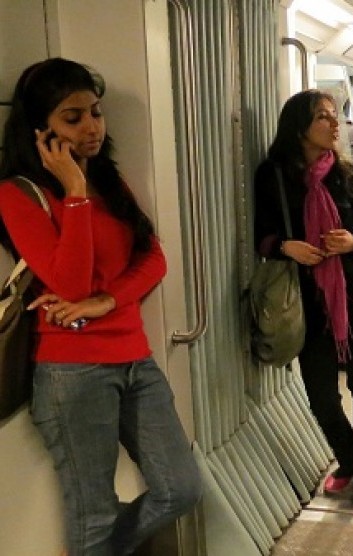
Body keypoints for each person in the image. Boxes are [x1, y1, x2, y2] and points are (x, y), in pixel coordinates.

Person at [0, 58, 202, 555]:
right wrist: (72, 190)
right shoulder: (17, 194)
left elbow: (154, 259)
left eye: (96, 111)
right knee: (93, 515)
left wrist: (107, 299)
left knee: (181, 487)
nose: (92, 126)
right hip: (72, 372)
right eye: (73, 117)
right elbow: (67, 282)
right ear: (40, 128)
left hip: (136, 358)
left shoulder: (109, 181)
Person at [253, 89, 353, 510]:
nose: (335, 124)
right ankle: (350, 458)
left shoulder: (350, 176)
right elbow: (262, 235)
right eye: (323, 118)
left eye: (335, 117)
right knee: (322, 397)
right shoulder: (273, 175)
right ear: (298, 127)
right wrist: (286, 247)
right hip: (305, 298)